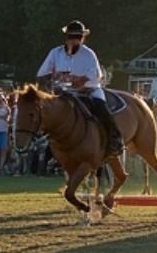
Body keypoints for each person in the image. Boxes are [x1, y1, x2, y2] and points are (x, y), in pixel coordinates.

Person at [35, 21, 123, 156]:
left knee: (101, 108)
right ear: (67, 37)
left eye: (78, 37)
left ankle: (114, 139)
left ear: (82, 38)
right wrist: (54, 76)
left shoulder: (88, 54)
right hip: (63, 93)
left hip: (88, 91)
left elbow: (97, 75)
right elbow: (41, 73)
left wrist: (81, 79)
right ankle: (41, 142)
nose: (75, 39)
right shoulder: (55, 53)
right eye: (72, 36)